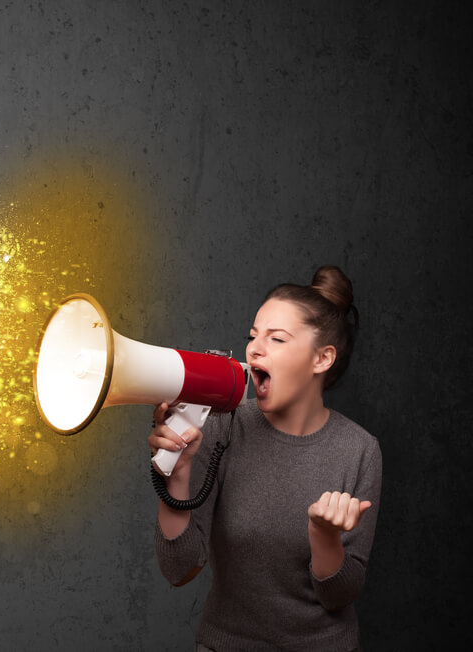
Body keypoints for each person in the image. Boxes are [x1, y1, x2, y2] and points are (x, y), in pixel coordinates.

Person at [149, 265, 382, 651]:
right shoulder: (224, 425)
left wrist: (325, 537)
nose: (254, 349)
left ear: (322, 359)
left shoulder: (359, 450)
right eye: (253, 336)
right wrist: (179, 473)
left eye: (276, 339)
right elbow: (179, 569)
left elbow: (338, 596)